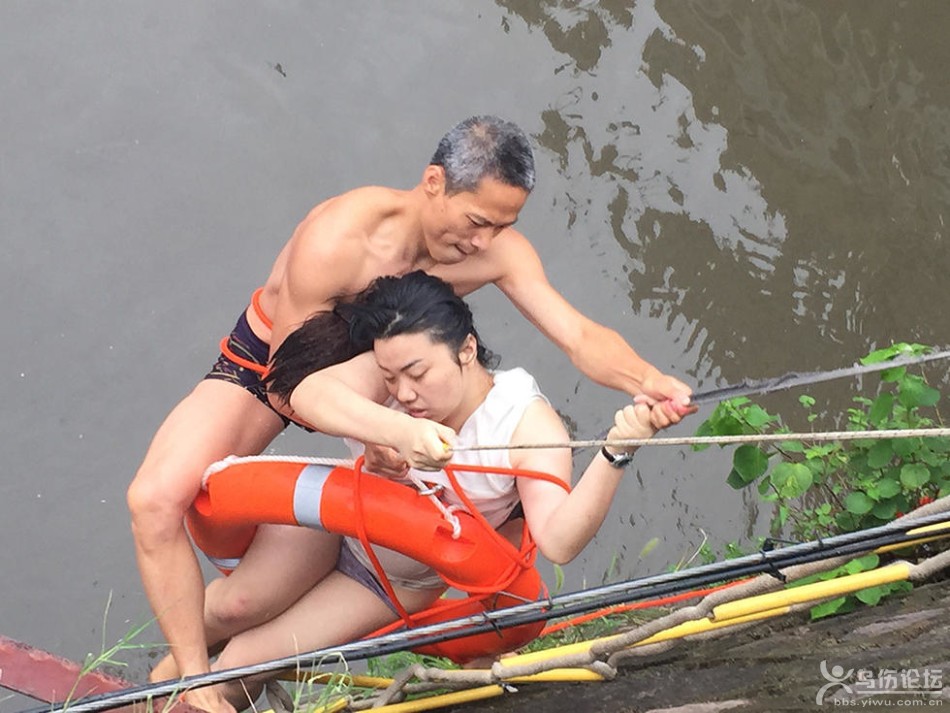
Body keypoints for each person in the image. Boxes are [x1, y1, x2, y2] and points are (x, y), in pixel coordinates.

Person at [127, 115, 693, 713]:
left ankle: (182, 686)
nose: (484, 242)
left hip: (383, 378)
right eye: (476, 221)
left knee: (251, 615)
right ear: (433, 182)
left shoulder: (493, 257)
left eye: (503, 226)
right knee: (154, 500)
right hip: (272, 367)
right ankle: (187, 678)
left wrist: (649, 382)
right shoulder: (341, 239)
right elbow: (289, 385)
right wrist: (384, 428)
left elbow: (576, 334)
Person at [203, 271, 671, 707]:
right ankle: (160, 677)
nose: (404, 392)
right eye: (391, 378)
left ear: (466, 349)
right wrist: (394, 431)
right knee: (232, 606)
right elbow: (308, 394)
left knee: (246, 658)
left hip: (388, 578)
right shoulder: (393, 364)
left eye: (418, 374)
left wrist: (615, 452)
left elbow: (559, 542)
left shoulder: (524, 424)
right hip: (336, 517)